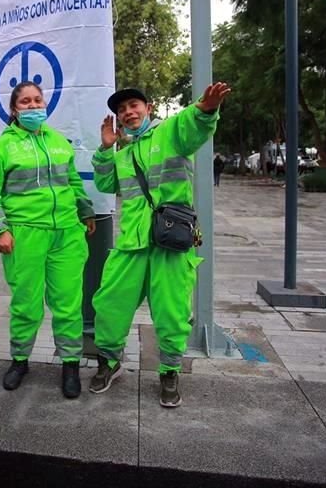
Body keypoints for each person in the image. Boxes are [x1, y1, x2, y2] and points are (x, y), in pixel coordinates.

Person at [89, 82, 230, 408]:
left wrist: (206, 109)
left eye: (134, 105)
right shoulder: (122, 154)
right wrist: (104, 148)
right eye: (122, 110)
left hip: (171, 240)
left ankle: (169, 371)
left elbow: (193, 127)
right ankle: (109, 361)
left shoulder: (170, 134)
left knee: (172, 313)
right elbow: (104, 182)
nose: (128, 112)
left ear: (148, 109)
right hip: (131, 244)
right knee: (109, 304)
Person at [0, 81, 96, 399]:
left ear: (45, 104)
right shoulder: (1, 148)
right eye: (25, 102)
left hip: (67, 233)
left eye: (37, 100)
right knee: (27, 305)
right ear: (14, 109)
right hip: (26, 234)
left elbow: (72, 181)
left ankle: (70, 364)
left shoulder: (58, 141)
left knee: (69, 305)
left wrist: (85, 212)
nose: (32, 106)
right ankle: (19, 361)